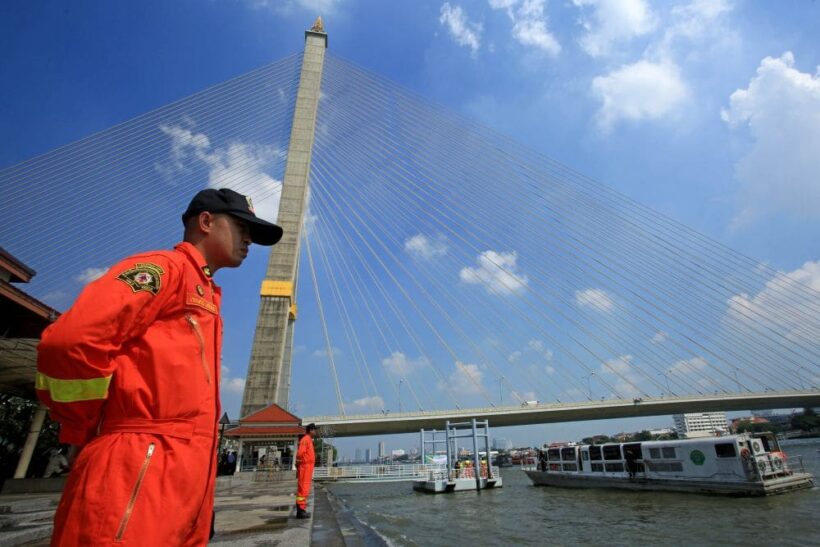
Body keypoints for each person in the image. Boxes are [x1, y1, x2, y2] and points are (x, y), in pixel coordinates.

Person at [36, 188, 282, 545]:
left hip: (182, 480)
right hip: (136, 470)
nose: (249, 240)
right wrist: (84, 426)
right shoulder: (164, 270)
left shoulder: (205, 293)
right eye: (242, 227)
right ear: (206, 222)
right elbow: (70, 342)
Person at [295, 423, 317, 519]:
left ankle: (302, 509)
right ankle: (300, 510)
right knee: (303, 488)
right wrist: (301, 463)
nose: (316, 431)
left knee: (305, 488)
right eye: (315, 430)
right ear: (311, 430)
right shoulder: (305, 440)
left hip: (307, 467)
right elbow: (300, 453)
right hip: (305, 467)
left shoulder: (308, 440)